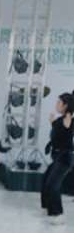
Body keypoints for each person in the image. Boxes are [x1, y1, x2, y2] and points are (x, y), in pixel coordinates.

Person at [41, 93, 74, 224]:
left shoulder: (68, 118)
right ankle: (49, 209)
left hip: (64, 158)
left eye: (59, 102)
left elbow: (67, 126)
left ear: (65, 106)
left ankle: (58, 214)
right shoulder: (61, 119)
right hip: (58, 157)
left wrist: (69, 113)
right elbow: (59, 132)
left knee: (53, 185)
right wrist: (52, 122)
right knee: (46, 180)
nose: (56, 104)